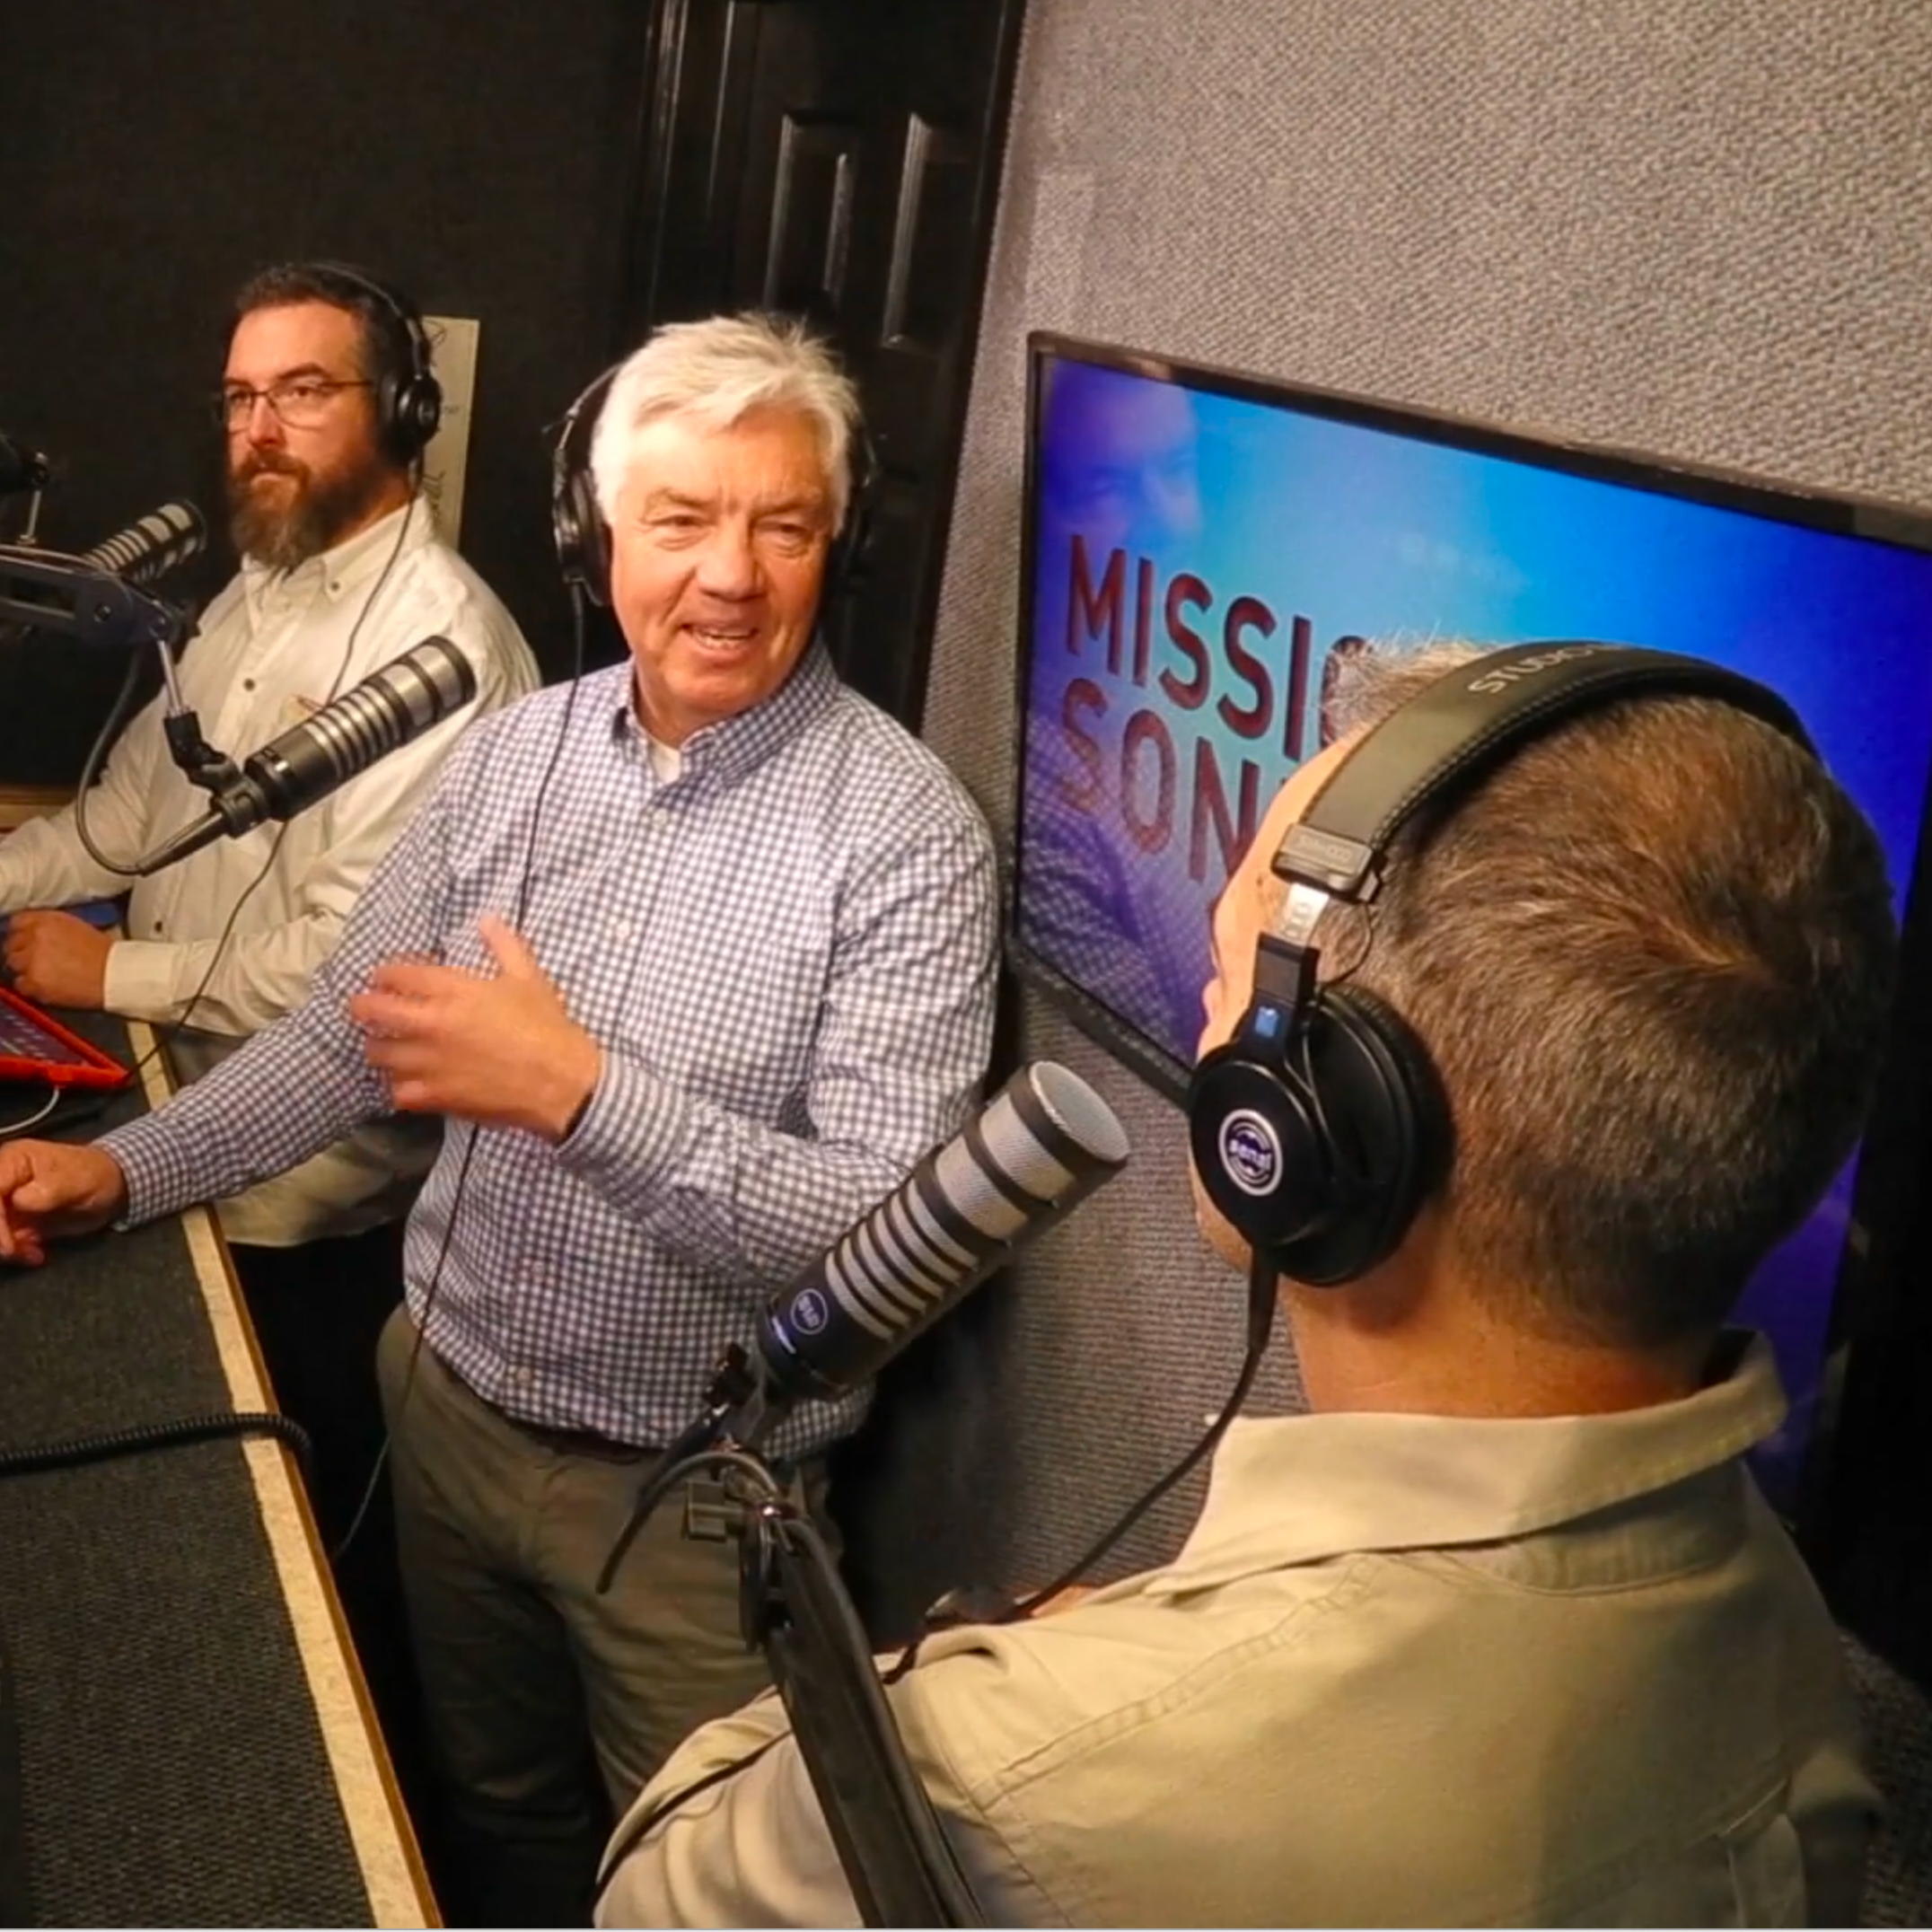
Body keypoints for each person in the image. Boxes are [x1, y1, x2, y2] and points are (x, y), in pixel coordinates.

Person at [590, 637, 1895, 1928]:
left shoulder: (1007, 1779)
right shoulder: (1776, 1618)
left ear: (1302, 1127)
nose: (1207, 1023)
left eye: (1228, 977)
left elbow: (657, 1880)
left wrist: (1010, 1690)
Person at [0, 310, 1000, 1926]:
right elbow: (344, 1037)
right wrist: (118, 1173)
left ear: (840, 546)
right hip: (449, 1416)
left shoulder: (906, 838)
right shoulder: (516, 757)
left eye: (782, 526)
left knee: (712, 1891)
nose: (729, 575)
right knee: (494, 1824)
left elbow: (889, 1249)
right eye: (682, 519)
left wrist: (582, 1096)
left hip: (689, 1500)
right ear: (598, 536)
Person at [0, 262, 540, 1576]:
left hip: (297, 1218)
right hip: (155, 1110)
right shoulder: (256, 590)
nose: (259, 430)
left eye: (302, 392)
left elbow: (362, 978)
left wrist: (113, 970)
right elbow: (117, 829)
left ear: (402, 409)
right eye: (241, 398)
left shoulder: (446, 658)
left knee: (243, 1560)